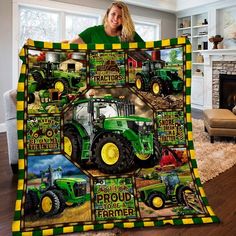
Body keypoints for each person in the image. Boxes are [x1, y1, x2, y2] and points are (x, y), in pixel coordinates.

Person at [68, 1, 144, 44]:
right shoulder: (92, 32)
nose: (116, 18)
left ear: (124, 19)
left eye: (120, 16)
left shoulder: (130, 34)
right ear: (107, 14)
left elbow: (147, 51)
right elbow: (71, 45)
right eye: (113, 14)